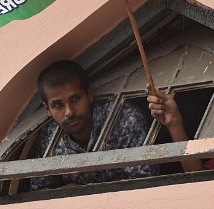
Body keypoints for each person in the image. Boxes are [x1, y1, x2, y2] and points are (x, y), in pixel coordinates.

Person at [30, 60, 157, 190]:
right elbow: (41, 191)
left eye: (75, 99)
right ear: (47, 109)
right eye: (58, 105)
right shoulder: (50, 136)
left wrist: (81, 192)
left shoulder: (123, 118)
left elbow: (146, 180)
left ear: (89, 95)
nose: (69, 112)